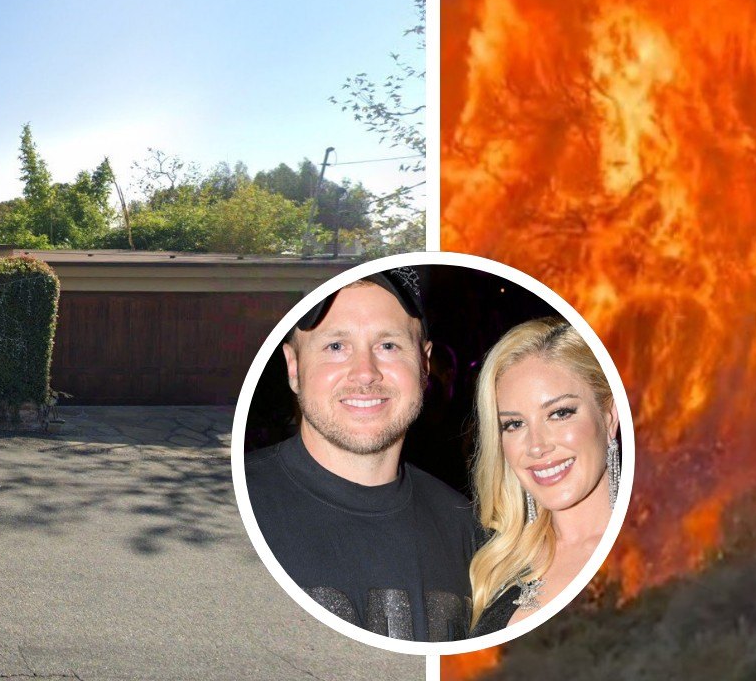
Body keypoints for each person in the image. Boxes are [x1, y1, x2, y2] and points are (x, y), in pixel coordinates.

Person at [245, 268, 478, 642]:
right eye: (336, 346)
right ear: (294, 367)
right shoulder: (236, 507)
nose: (365, 373)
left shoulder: (469, 531)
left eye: (388, 346)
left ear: (424, 364)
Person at [467, 317, 621, 636]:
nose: (536, 446)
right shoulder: (493, 562)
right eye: (514, 424)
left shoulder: (660, 553)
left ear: (609, 417)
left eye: (560, 413)